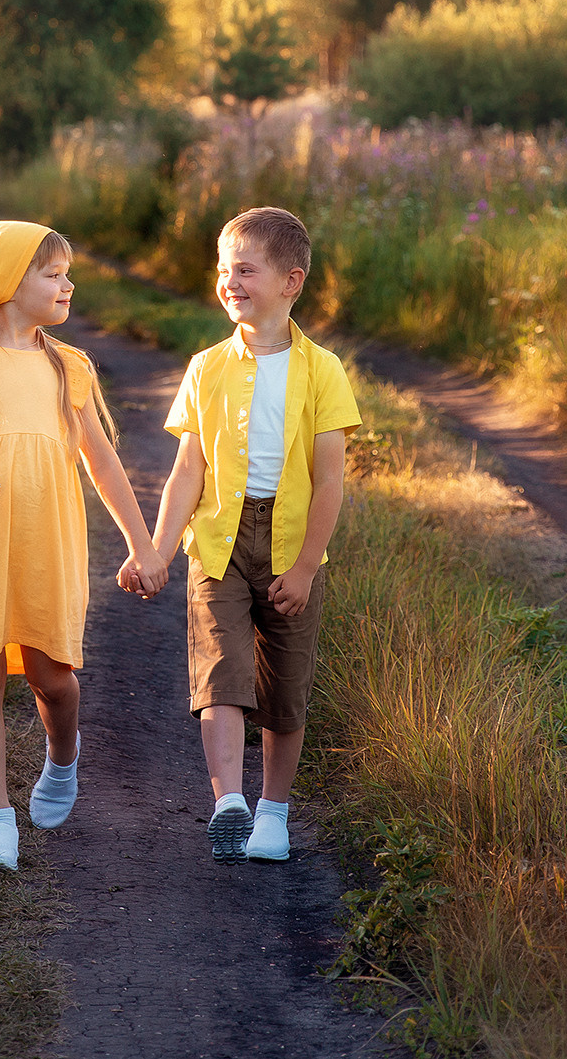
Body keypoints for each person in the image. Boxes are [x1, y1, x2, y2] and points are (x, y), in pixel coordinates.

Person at [0, 220, 157, 871]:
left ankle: (62, 756)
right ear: (7, 284)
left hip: (46, 540)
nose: (67, 284)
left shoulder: (66, 365)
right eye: (53, 274)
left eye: (66, 273)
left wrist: (142, 545)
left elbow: (101, 462)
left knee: (54, 677)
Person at [122, 206, 360, 863]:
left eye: (246, 270)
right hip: (218, 543)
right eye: (224, 269)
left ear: (290, 281)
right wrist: (157, 550)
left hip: (290, 545)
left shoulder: (323, 370)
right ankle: (229, 801)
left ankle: (273, 814)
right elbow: (187, 470)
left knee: (284, 687)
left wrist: (306, 566)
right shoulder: (206, 367)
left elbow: (330, 480)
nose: (230, 281)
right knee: (220, 672)